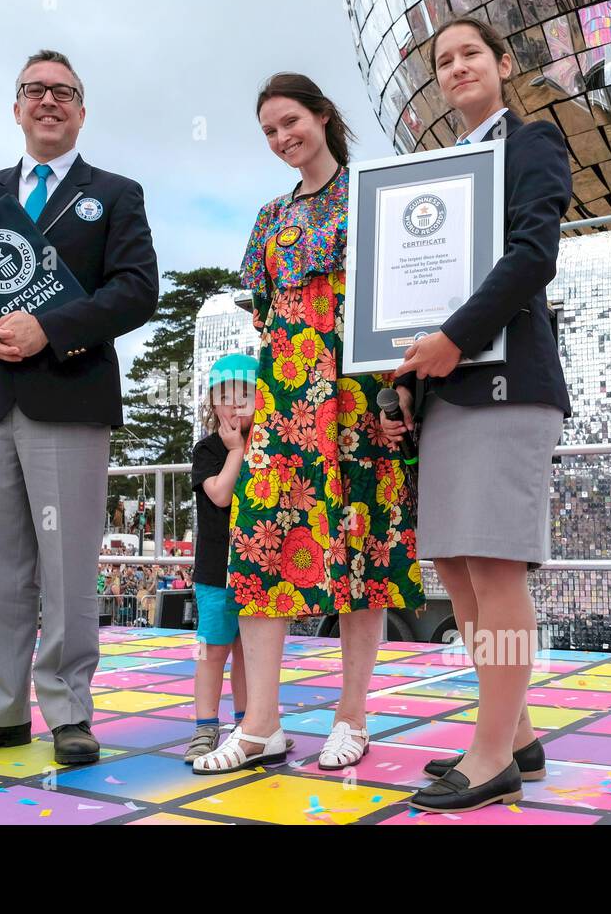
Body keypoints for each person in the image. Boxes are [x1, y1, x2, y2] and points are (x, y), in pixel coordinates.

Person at [0, 49, 158, 764]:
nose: (48, 101)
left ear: (81, 110)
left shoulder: (115, 193)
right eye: (35, 90)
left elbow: (138, 289)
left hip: (70, 398)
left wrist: (49, 327)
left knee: (66, 564)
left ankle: (69, 711)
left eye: (63, 91)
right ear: (16, 107)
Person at [193, 74, 423, 775]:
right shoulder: (267, 218)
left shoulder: (375, 192)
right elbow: (263, 318)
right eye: (269, 130)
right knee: (262, 552)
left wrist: (394, 401)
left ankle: (351, 718)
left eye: (290, 121)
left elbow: (405, 291)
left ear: (323, 117)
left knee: (363, 558)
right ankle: (261, 724)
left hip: (360, 398)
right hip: (285, 401)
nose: (281, 137)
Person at [384, 17, 572, 813]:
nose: (457, 66)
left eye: (470, 53)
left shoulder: (531, 146)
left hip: (506, 381)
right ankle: (517, 733)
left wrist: (453, 339)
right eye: (443, 59)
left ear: (501, 63)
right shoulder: (432, 176)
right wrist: (401, 377)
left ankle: (490, 752)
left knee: (492, 565)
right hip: (446, 392)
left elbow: (534, 254)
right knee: (459, 571)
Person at [184, 354, 260, 763]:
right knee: (212, 649)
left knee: (250, 652)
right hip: (215, 573)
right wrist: (235, 451)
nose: (234, 405)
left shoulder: (268, 448)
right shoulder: (208, 449)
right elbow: (220, 494)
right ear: (212, 403)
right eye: (225, 396)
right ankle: (205, 726)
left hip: (255, 570)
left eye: (245, 394)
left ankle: (249, 723)